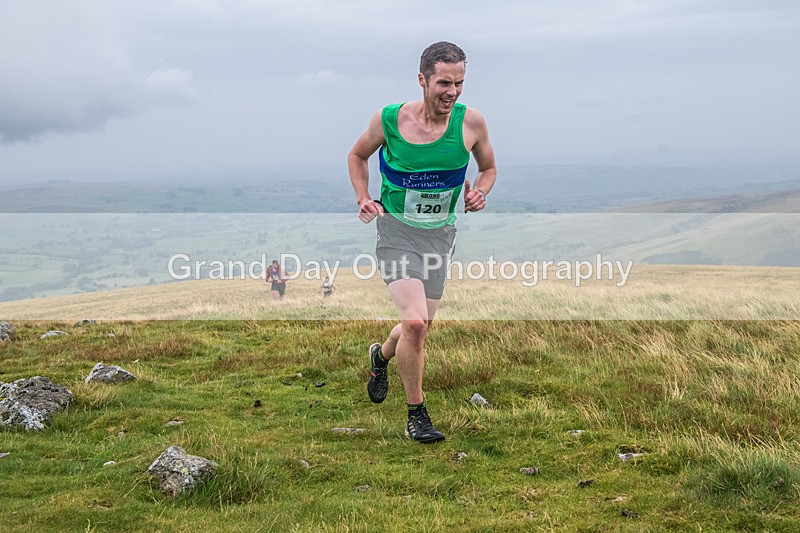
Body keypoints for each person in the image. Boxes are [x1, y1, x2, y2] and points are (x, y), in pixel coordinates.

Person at [347, 41, 497, 443]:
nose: (452, 91)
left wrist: (480, 192)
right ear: (423, 80)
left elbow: (489, 169)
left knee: (420, 325)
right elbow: (357, 156)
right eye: (444, 82)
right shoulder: (389, 120)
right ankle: (417, 414)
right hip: (396, 231)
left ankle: (380, 357)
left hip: (440, 235)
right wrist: (364, 197)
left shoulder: (472, 123)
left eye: (460, 83)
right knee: (414, 322)